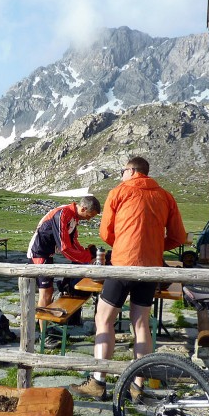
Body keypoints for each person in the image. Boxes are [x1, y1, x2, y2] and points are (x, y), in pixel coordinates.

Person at [69, 157, 187, 400]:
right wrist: (153, 246)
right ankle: (138, 386)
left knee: (104, 319)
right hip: (151, 268)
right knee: (142, 324)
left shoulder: (119, 192)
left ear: (131, 171)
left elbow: (105, 232)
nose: (121, 175)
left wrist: (124, 244)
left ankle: (98, 382)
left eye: (122, 171)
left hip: (122, 265)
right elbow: (177, 237)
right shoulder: (165, 196)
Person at [27, 195, 101, 349]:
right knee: (45, 294)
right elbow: (65, 247)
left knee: (50, 291)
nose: (89, 219)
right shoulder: (63, 214)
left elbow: (74, 243)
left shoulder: (74, 218)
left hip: (48, 254)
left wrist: (86, 255)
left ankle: (44, 325)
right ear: (83, 208)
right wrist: (86, 259)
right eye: (89, 215)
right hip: (39, 254)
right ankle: (43, 335)